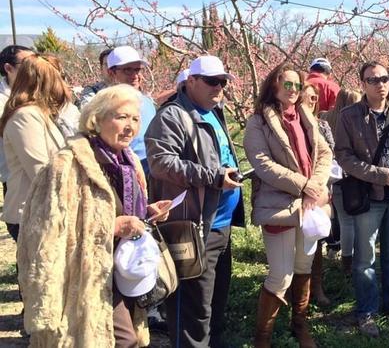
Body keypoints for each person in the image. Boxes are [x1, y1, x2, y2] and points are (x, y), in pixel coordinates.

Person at [17, 84, 171, 346]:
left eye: (135, 119)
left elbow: (117, 207)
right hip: (84, 277)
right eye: (121, 117)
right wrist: (111, 227)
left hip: (123, 269)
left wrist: (146, 213)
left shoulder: (128, 160)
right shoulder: (67, 164)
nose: (129, 126)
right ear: (96, 119)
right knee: (122, 341)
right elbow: (43, 232)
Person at [145, 55, 245, 347]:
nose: (219, 87)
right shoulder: (171, 116)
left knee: (214, 305)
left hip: (219, 224)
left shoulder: (215, 111)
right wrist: (214, 177)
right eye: (212, 81)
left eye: (223, 82)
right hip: (192, 226)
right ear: (191, 81)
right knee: (191, 309)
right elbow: (161, 163)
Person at [243, 63, 332, 348]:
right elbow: (262, 163)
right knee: (281, 274)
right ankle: (262, 337)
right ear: (274, 86)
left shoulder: (307, 116)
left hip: (310, 204)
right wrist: (302, 184)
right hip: (279, 206)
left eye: (297, 85)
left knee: (304, 266)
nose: (293, 90)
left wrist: (315, 185)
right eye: (287, 84)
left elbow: (324, 153)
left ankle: (300, 324)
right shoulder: (258, 121)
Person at [335, 61, 389, 337]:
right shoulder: (349, 116)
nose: (380, 84)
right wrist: (379, 175)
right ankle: (367, 311)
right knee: (364, 258)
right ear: (362, 84)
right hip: (368, 196)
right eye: (373, 79)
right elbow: (344, 156)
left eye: (384, 78)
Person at [0, 54, 69, 243]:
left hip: (46, 209)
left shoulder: (41, 113)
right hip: (31, 214)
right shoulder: (25, 117)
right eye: (58, 78)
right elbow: (41, 171)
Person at [320, 89, 362, 275]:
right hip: (351, 176)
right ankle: (350, 259)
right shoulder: (355, 120)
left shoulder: (324, 118)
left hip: (331, 176)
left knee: (342, 219)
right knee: (351, 221)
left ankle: (345, 258)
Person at [301, 82, 334, 306]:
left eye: (314, 98)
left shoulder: (322, 125)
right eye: (306, 98)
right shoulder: (287, 125)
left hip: (319, 190)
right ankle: (299, 291)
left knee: (317, 241)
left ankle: (317, 287)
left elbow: (331, 152)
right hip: (296, 191)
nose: (310, 102)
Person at [106, 45, 156, 174]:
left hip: (151, 176)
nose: (135, 76)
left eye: (137, 70)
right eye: (128, 70)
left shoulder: (147, 103)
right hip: (122, 175)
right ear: (111, 73)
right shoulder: (105, 106)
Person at [0, 45, 35, 197]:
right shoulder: (1, 100)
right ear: (8, 68)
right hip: (14, 176)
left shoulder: (38, 93)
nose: (34, 68)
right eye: (27, 63)